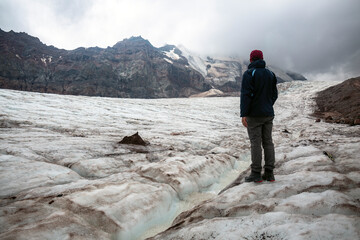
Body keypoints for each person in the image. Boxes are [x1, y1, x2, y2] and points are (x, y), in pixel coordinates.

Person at [240, 50, 278, 183]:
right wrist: (268, 105)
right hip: (268, 114)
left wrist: (244, 114)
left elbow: (246, 95)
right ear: (262, 59)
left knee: (255, 143)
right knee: (268, 142)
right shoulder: (270, 74)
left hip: (254, 116)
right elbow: (274, 94)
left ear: (251, 60)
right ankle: (269, 173)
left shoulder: (249, 73)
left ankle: (256, 173)